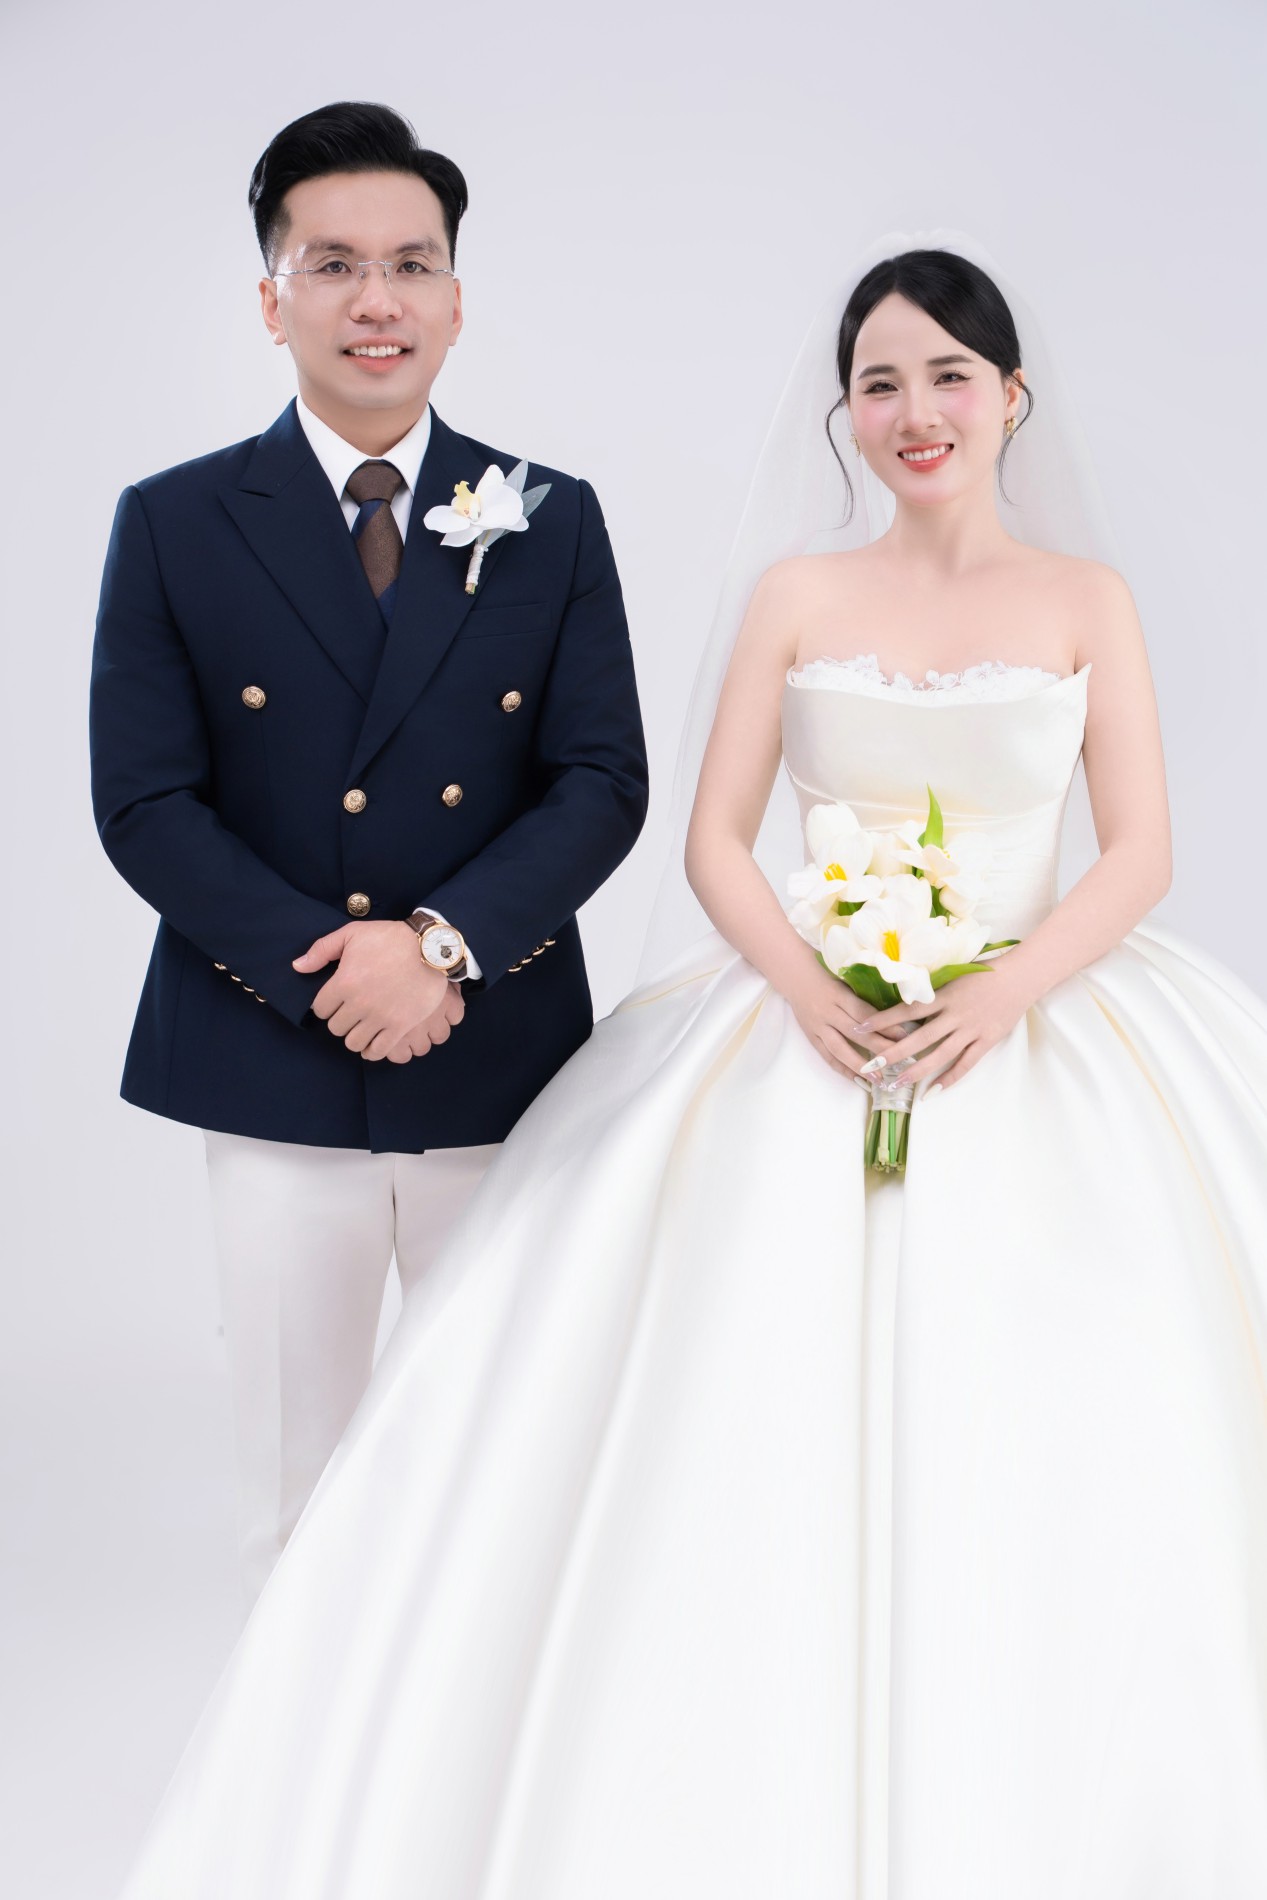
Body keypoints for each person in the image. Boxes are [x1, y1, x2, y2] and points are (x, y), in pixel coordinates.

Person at [115, 232, 1267, 1898]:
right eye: (880, 383)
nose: (916, 412)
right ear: (845, 414)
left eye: (950, 376)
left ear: (1012, 396)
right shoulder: (799, 595)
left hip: (1027, 1015)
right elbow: (716, 835)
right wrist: (810, 988)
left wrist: (999, 996)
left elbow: (1140, 850)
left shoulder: (1090, 602)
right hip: (806, 1013)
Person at [89, 101, 649, 1608]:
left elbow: (602, 781)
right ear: (271, 300)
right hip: (269, 1055)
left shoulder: (554, 519)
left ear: (458, 299)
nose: (376, 299)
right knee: (298, 1493)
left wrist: (439, 951)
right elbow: (145, 802)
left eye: (412, 263)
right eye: (333, 264)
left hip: (494, 1047)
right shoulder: (176, 521)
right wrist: (338, 972)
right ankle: (298, 1764)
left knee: (504, 1479)